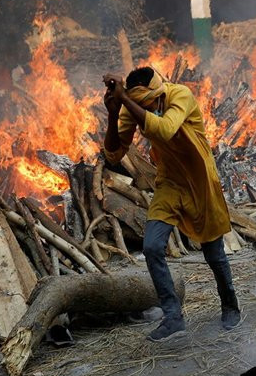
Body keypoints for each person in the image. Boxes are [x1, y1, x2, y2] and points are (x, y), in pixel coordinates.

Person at [102, 66, 241, 342]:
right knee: (152, 246)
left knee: (213, 253)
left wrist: (127, 100)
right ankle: (173, 317)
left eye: (147, 104)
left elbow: (165, 129)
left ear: (157, 93)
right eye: (138, 105)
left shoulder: (180, 95)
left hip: (200, 180)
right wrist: (113, 112)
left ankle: (230, 305)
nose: (144, 110)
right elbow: (115, 154)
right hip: (169, 183)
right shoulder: (133, 106)